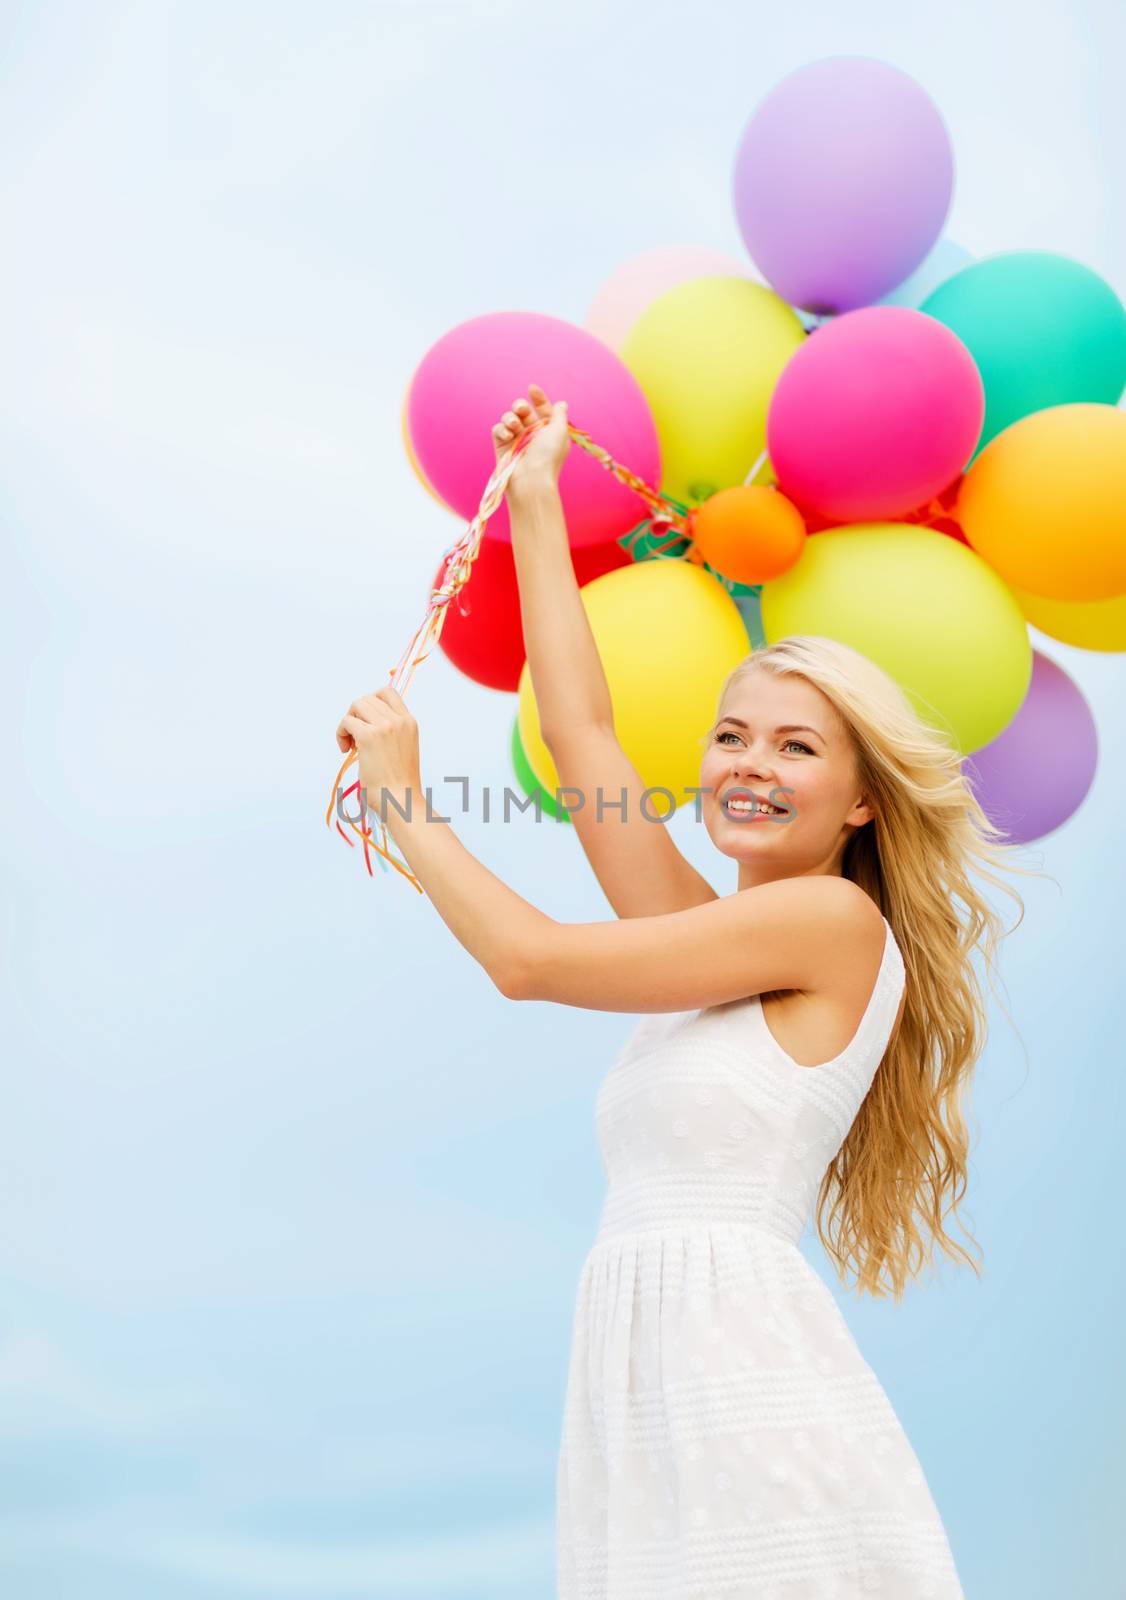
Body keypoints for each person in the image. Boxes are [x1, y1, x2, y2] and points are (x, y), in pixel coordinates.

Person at [336, 384, 1037, 1598]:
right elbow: (586, 735)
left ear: (863, 800)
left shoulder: (831, 922)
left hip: (741, 1382)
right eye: (731, 735)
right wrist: (544, 497)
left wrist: (405, 808)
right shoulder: (711, 942)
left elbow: (530, 962)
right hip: (641, 1385)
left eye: (797, 746)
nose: (750, 765)